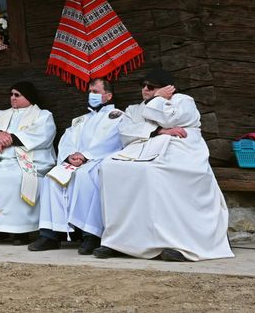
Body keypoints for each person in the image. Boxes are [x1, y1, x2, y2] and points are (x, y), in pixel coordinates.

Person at [96, 69, 232, 262]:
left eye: (151, 87)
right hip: (144, 147)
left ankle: (175, 242)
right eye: (143, 86)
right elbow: (126, 131)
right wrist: (158, 131)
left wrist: (158, 100)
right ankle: (118, 241)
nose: (145, 89)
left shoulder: (184, 101)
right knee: (109, 167)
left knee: (153, 173)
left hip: (181, 150)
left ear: (168, 88)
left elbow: (170, 119)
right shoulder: (134, 108)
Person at [29, 78, 122, 254]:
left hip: (98, 161)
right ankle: (49, 235)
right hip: (74, 161)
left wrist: (85, 156)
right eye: (90, 91)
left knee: (85, 178)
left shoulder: (117, 116)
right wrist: (70, 156)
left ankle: (91, 235)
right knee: (51, 179)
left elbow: (111, 140)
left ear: (108, 96)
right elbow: (67, 140)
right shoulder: (81, 119)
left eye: (95, 92)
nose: (91, 95)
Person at [0, 81, 56, 245]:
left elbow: (42, 134)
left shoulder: (42, 115)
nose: (13, 98)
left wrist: (10, 139)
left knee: (14, 179)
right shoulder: (0, 114)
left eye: (17, 95)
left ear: (28, 97)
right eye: (11, 94)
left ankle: (19, 232)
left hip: (23, 160)